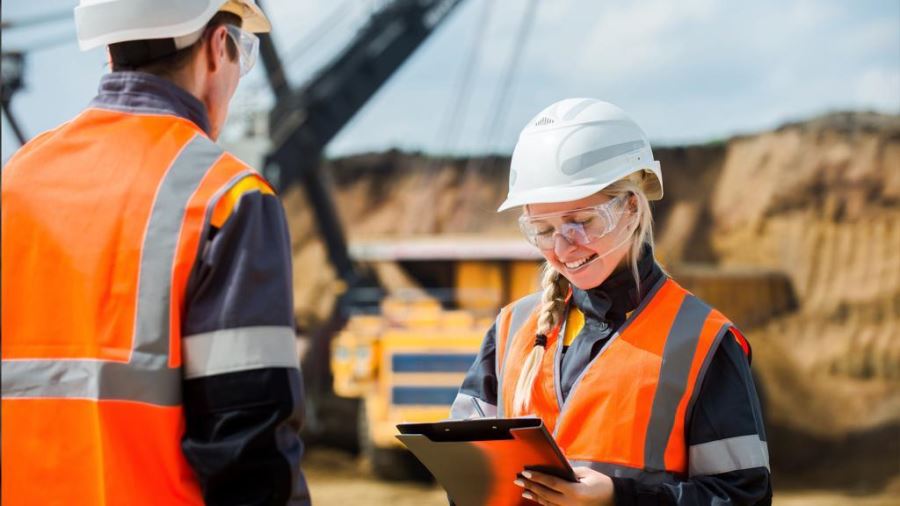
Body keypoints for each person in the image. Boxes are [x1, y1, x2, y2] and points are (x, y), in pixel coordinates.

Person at [1, 1, 310, 504]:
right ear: (217, 49)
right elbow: (251, 446)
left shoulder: (13, 183)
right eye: (243, 53)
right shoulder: (225, 197)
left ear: (109, 48)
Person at [451, 98, 772, 505]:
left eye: (582, 222)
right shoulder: (512, 329)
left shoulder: (702, 342)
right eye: (543, 230)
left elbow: (745, 498)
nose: (564, 247)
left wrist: (620, 498)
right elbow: (466, 476)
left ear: (632, 209)